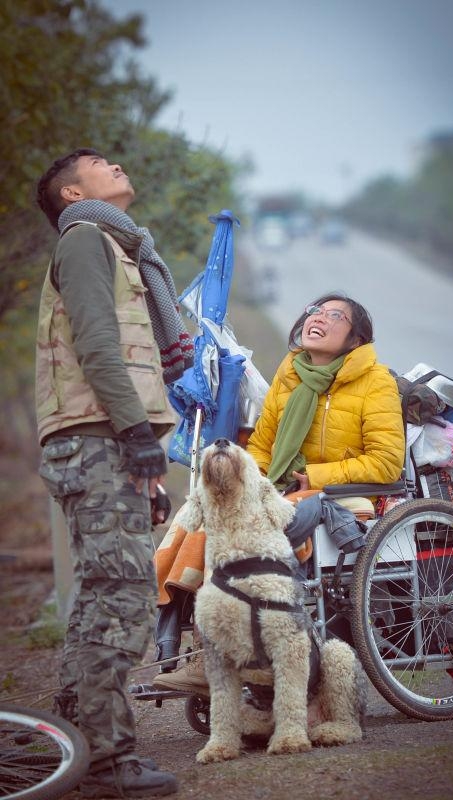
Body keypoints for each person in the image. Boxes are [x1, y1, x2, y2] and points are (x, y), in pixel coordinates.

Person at [35, 149, 193, 798]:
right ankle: (106, 761)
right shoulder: (85, 240)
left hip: (104, 442)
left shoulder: (116, 247)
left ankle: (71, 747)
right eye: (100, 162)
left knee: (101, 595)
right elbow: (98, 346)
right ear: (73, 193)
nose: (117, 165)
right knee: (123, 596)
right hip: (99, 439)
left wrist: (142, 453)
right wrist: (134, 434)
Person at [152, 291, 405, 695]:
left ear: (356, 338)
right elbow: (262, 448)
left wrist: (315, 475)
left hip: (337, 495)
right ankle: (201, 648)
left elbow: (386, 462)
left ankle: (226, 657)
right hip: (283, 490)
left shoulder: (375, 382)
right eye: (314, 311)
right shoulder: (291, 374)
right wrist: (246, 481)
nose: (318, 317)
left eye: (334, 315)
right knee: (205, 511)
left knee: (243, 530)